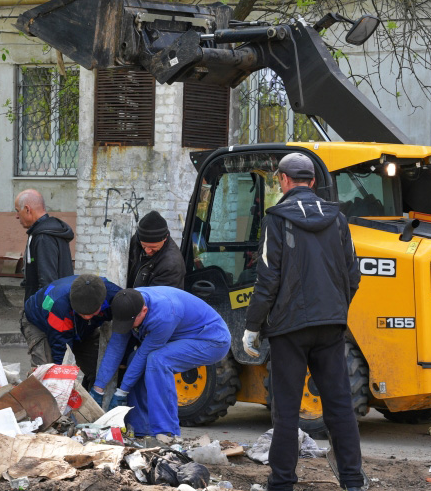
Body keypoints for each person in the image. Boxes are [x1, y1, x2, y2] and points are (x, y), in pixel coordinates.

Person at [242, 152, 363, 491]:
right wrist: (337, 308)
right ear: (311, 182)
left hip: (288, 330)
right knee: (340, 406)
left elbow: (267, 280)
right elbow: (353, 274)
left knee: (286, 411)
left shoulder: (276, 219)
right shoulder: (339, 219)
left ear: (283, 180)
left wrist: (253, 326)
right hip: (330, 325)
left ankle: (282, 483)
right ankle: (353, 481)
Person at [90, 286, 231, 437]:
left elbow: (144, 355)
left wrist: (122, 392)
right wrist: (98, 387)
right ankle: (140, 430)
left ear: (144, 311)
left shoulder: (164, 314)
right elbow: (116, 347)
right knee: (134, 360)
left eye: (130, 322)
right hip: (185, 335)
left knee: (158, 361)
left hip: (212, 340)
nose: (128, 327)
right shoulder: (127, 303)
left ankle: (167, 433)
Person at [24, 274, 121, 389]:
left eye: (92, 313)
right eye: (83, 313)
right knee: (47, 376)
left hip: (82, 327)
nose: (87, 317)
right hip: (40, 323)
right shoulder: (59, 306)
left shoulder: (114, 296)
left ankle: (88, 400)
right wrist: (60, 386)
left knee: (100, 369)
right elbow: (60, 349)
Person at [15, 189, 74, 366]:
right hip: (58, 311)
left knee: (44, 368)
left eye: (17, 211)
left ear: (27, 209)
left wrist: (42, 316)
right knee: (55, 365)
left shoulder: (42, 237)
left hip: (45, 315)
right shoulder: (52, 232)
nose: (17, 217)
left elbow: (48, 282)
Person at [127, 211, 185, 289]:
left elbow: (157, 298)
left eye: (153, 247)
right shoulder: (136, 241)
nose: (147, 251)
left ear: (165, 238)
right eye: (144, 246)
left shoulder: (171, 265)